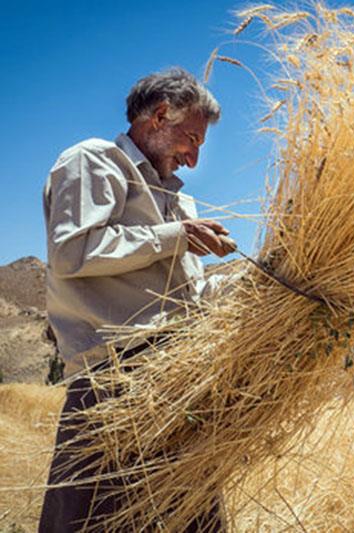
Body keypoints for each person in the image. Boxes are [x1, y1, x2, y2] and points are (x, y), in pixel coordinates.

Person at [39, 67, 234, 532]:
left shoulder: (179, 203)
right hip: (114, 383)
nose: (193, 159)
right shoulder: (94, 162)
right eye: (191, 138)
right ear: (159, 115)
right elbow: (73, 252)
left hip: (177, 383)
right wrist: (176, 236)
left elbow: (194, 296)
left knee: (190, 520)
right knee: (96, 521)